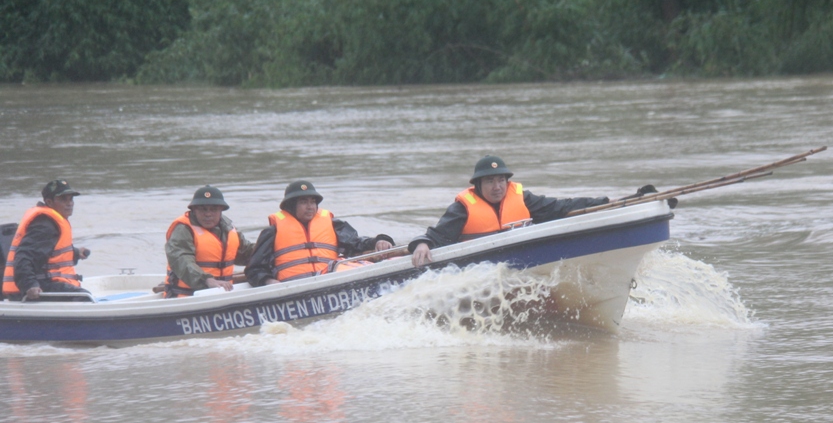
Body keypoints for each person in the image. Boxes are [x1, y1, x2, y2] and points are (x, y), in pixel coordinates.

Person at [410, 156, 610, 267]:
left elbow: (561, 207)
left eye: (501, 180)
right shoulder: (462, 208)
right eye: (490, 181)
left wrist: (606, 202)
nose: (497, 186)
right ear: (478, 185)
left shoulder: (523, 198)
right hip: (480, 267)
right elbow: (437, 236)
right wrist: (422, 244)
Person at [245, 180, 395, 286]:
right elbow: (255, 269)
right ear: (291, 206)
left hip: (328, 281)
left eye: (312, 202)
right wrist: (269, 282)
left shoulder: (333, 225)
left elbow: (356, 243)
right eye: (304, 202)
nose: (310, 207)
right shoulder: (272, 232)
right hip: (294, 287)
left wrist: (379, 240)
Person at [2, 179, 92, 301]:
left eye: (71, 199)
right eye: (63, 199)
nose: (69, 203)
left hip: (44, 281)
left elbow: (49, 254)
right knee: (84, 298)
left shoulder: (50, 222)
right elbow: (24, 256)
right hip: (38, 286)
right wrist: (30, 285)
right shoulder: (45, 225)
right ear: (49, 202)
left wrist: (75, 253)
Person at [163, 185, 255, 297]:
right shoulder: (183, 229)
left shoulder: (228, 228)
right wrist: (207, 280)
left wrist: (270, 250)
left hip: (222, 293)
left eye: (213, 209)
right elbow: (181, 259)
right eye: (203, 209)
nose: (208, 214)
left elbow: (247, 253)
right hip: (187, 297)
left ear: (221, 210)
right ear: (194, 210)